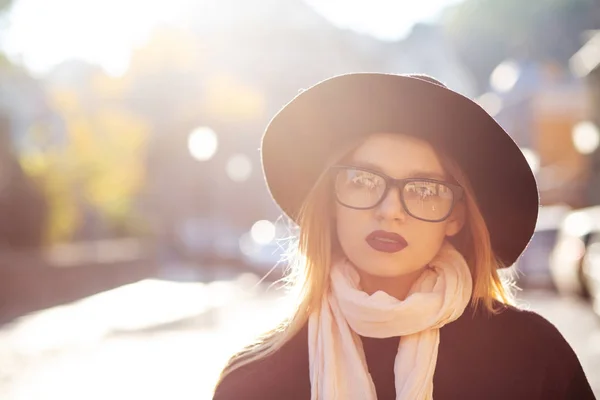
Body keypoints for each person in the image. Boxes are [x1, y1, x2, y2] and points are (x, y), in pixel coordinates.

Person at [212, 73, 596, 399]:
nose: (390, 210)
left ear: (457, 216)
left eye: (424, 189)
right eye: (363, 180)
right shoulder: (255, 380)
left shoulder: (533, 359)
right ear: (330, 200)